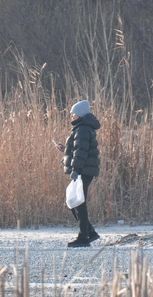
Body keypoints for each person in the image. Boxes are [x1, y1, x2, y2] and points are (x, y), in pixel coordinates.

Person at [56, 100, 101, 247]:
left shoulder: (82, 130)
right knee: (74, 202)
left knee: (78, 203)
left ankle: (84, 237)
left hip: (82, 171)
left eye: (73, 113)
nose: (71, 116)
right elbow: (77, 151)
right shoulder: (81, 128)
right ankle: (89, 232)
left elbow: (81, 153)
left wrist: (75, 171)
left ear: (80, 114)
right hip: (83, 170)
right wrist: (66, 151)